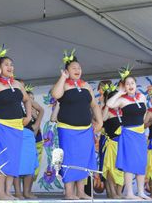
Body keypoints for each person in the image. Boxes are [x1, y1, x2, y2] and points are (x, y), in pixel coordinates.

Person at [0, 45, 32, 200]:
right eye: (6, 64)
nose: (10, 67)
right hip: (1, 126)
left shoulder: (17, 84)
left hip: (17, 126)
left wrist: (28, 116)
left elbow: (27, 99)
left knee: (13, 159)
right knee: (1, 159)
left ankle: (8, 191)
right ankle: (1, 192)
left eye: (11, 64)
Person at [51, 49, 102, 200]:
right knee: (70, 159)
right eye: (73, 68)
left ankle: (81, 191)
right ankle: (69, 192)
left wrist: (100, 121)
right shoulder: (64, 85)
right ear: (66, 70)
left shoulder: (86, 85)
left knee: (84, 159)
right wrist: (62, 78)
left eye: (79, 68)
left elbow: (94, 106)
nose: (77, 70)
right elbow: (55, 95)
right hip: (68, 129)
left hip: (85, 130)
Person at [106, 70, 150, 199]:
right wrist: (119, 92)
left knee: (141, 162)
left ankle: (141, 191)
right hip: (129, 134)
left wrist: (145, 130)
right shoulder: (122, 100)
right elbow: (109, 104)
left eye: (132, 83)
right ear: (124, 86)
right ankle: (130, 193)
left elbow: (145, 113)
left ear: (136, 85)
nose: (130, 85)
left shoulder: (142, 97)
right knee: (129, 163)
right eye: (127, 84)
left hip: (140, 134)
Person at [14, 84, 44, 199]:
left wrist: (37, 124)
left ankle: (27, 192)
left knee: (29, 162)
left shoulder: (28, 100)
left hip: (28, 133)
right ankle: (17, 192)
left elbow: (41, 110)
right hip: (15, 131)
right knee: (16, 162)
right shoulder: (12, 100)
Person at [101, 83, 123, 199]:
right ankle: (113, 193)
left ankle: (119, 193)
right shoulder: (108, 112)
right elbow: (103, 119)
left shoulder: (123, 111)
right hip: (112, 144)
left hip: (123, 145)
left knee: (122, 169)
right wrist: (107, 106)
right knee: (110, 169)